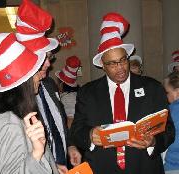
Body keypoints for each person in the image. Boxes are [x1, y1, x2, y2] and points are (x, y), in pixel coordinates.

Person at [70, 12, 175, 174]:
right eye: (112, 64)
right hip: (102, 168)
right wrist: (90, 134)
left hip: (144, 168)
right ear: (102, 66)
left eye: (123, 60)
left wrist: (153, 141)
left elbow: (169, 130)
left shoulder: (152, 88)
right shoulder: (88, 93)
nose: (120, 68)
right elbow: (76, 130)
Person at [15, 0, 81, 171]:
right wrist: (51, 165)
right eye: (43, 58)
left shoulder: (49, 84)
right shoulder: (8, 98)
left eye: (48, 57)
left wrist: (70, 146)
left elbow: (58, 122)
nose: (48, 64)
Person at [0, 32, 59, 174]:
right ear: (24, 81)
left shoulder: (18, 113)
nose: (39, 78)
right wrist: (37, 154)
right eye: (35, 72)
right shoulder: (8, 123)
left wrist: (52, 167)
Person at [55, 55, 81, 128]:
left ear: (62, 84)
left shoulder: (68, 98)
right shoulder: (74, 94)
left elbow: (70, 120)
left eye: (58, 82)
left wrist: (68, 138)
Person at [163, 71, 179, 173]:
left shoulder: (173, 109)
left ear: (177, 92)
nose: (166, 97)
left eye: (167, 92)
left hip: (174, 165)